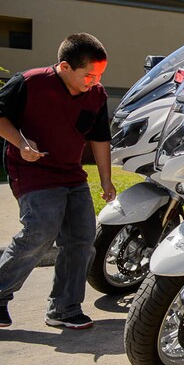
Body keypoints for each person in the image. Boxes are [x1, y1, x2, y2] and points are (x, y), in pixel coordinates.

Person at [0, 33, 116, 330]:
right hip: (32, 170)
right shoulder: (29, 82)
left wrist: (106, 180)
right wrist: (22, 143)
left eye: (99, 74)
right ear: (64, 67)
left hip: (71, 173)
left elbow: (100, 138)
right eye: (88, 74)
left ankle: (64, 309)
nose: (94, 80)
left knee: (82, 237)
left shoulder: (97, 95)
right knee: (41, 229)